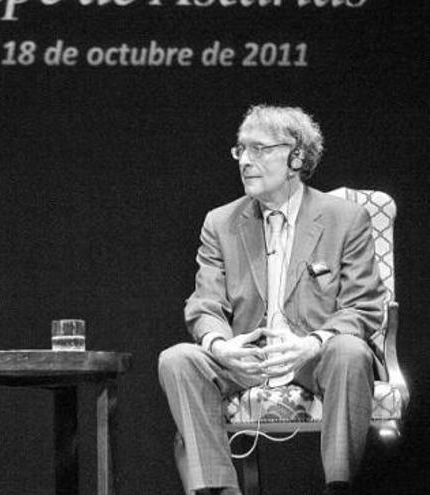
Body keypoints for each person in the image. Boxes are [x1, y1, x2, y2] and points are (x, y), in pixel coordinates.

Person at [157, 105, 385, 495]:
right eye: (241, 150)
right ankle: (218, 490)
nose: (246, 161)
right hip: (246, 358)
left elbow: (363, 306)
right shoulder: (220, 222)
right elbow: (204, 304)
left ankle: (339, 486)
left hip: (315, 358)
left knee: (350, 351)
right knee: (178, 358)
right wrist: (221, 345)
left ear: (296, 156)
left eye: (260, 149)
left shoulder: (346, 219)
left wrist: (312, 343)